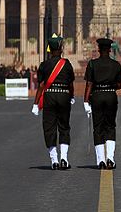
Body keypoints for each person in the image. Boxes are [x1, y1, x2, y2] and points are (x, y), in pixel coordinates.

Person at [31, 33, 75, 170]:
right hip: (64, 96)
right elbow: (70, 84)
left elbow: (42, 85)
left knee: (49, 127)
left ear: (49, 48)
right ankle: (64, 158)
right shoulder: (66, 64)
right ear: (61, 49)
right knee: (64, 126)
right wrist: (71, 96)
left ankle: (54, 160)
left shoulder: (44, 65)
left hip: (49, 97)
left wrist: (36, 103)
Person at [83, 38, 121, 169]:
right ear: (110, 49)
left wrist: (85, 100)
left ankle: (100, 160)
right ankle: (110, 158)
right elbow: (119, 85)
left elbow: (89, 84)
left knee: (98, 127)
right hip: (111, 95)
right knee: (110, 126)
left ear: (98, 49)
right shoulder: (116, 65)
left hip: (97, 96)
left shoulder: (92, 64)